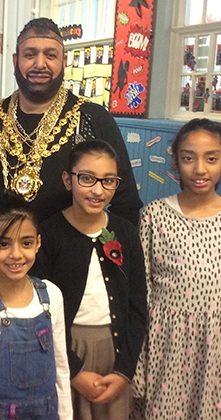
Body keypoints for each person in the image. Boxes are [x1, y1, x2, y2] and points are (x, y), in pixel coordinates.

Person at [0, 17, 142, 283]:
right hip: (0, 271)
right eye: (30, 54)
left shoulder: (93, 119)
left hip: (74, 271)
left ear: (64, 62)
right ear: (15, 61)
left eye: (50, 55)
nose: (39, 64)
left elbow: (125, 203)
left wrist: (107, 262)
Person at [131, 119, 221, 419]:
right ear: (175, 160)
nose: (200, 169)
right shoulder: (155, 216)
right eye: (188, 158)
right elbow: (141, 296)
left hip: (220, 354)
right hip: (166, 350)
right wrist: (138, 366)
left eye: (211, 158)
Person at [34, 140, 148, 419]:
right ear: (67, 179)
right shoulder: (47, 235)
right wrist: (74, 370)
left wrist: (124, 370)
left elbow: (137, 306)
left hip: (114, 349)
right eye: (87, 178)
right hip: (64, 351)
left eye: (108, 181)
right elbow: (39, 312)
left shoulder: (125, 232)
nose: (98, 190)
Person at [0, 193, 72, 420]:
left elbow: (61, 367)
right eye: (4, 244)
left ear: (38, 242)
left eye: (26, 243)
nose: (16, 254)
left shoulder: (52, 295)